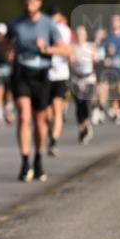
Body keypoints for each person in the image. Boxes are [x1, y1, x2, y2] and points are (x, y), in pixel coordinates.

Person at [7, 0, 69, 182]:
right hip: (21, 73)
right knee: (23, 117)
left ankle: (38, 159)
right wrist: (8, 51)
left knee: (39, 120)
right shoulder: (15, 23)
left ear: (39, 3)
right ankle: (25, 161)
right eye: (25, 1)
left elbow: (65, 51)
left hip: (41, 74)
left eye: (33, 1)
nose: (29, 4)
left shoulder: (49, 24)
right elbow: (6, 43)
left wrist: (47, 49)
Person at [46, 9, 72, 156]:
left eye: (56, 17)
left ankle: (54, 141)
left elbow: (67, 51)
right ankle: (51, 135)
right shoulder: (43, 29)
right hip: (46, 75)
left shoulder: (64, 30)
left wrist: (49, 50)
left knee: (57, 110)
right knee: (46, 113)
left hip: (60, 75)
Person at [69, 24, 99, 144]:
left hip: (89, 79)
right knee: (78, 105)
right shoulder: (72, 47)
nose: (80, 35)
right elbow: (69, 63)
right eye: (78, 33)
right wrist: (72, 59)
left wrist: (94, 58)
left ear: (86, 34)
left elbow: (96, 62)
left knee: (85, 103)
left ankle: (87, 125)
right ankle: (81, 128)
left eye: (82, 33)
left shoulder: (91, 46)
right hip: (76, 79)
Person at [101, 14, 120, 125]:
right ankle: (116, 112)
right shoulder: (108, 37)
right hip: (111, 68)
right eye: (113, 21)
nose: (114, 23)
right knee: (113, 91)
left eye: (116, 20)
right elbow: (103, 51)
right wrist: (107, 56)